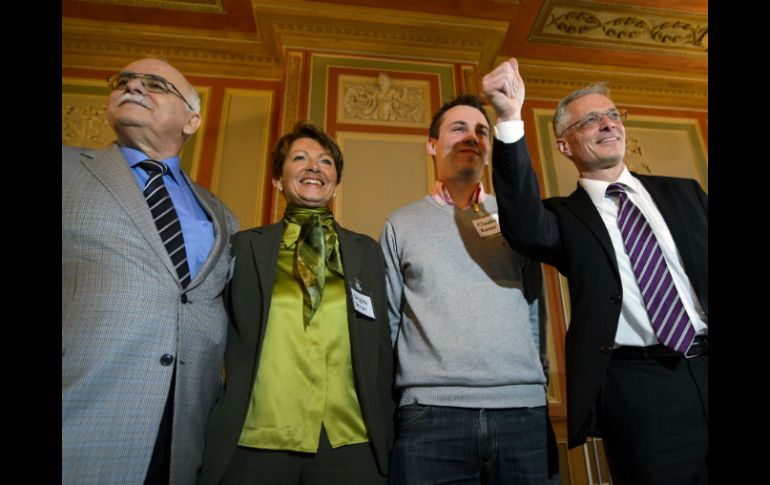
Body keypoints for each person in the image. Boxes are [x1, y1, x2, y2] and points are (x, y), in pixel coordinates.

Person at [483, 58, 708, 484]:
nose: (607, 125)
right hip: (642, 388)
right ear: (565, 145)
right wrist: (510, 117)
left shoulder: (686, 194)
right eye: (590, 121)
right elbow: (522, 224)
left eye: (612, 115)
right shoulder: (562, 218)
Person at [62, 58, 240, 484]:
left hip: (182, 436)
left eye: (156, 84)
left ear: (191, 121)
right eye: (123, 80)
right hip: (82, 420)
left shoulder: (221, 215)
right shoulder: (68, 169)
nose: (134, 87)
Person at [198, 122, 394, 485]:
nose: (314, 167)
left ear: (336, 180)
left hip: (351, 440)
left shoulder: (366, 251)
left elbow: (383, 342)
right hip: (257, 439)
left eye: (325, 162)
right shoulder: (243, 247)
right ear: (277, 179)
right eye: (299, 158)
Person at [380, 94, 558, 484]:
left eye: (481, 130)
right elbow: (390, 322)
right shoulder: (400, 224)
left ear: (491, 149)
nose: (471, 137)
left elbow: (534, 309)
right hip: (429, 416)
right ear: (432, 145)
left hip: (522, 412)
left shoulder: (517, 220)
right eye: (458, 128)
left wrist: (534, 384)